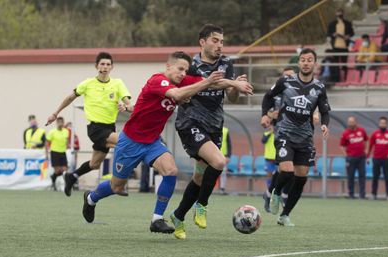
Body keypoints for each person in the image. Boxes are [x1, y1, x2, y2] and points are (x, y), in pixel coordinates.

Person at [81, 51, 226, 234]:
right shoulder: (157, 80)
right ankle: (91, 198)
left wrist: (235, 83)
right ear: (168, 66)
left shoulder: (181, 82)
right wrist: (205, 82)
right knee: (117, 186)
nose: (183, 73)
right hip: (130, 142)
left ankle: (157, 218)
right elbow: (178, 93)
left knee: (171, 170)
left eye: (186, 70)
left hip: (152, 142)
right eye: (180, 69)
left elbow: (212, 84)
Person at [170, 24, 254, 240]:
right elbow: (206, 85)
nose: (219, 45)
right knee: (218, 162)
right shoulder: (191, 65)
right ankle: (202, 205)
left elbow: (230, 95)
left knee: (200, 175)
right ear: (202, 42)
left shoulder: (227, 63)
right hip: (191, 122)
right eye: (215, 40)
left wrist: (235, 87)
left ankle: (178, 216)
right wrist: (230, 82)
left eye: (222, 42)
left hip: (214, 126)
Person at [46, 52, 133, 197]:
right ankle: (119, 184)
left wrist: (126, 107)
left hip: (110, 127)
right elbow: (69, 97)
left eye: (108, 64)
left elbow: (129, 104)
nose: (105, 67)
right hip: (95, 129)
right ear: (96, 66)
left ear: (112, 67)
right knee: (125, 143)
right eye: (102, 64)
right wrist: (55, 113)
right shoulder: (88, 83)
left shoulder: (118, 83)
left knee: (94, 164)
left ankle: (72, 176)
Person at [261, 48, 331, 227]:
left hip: (305, 138)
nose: (306, 63)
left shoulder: (319, 87)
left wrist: (324, 124)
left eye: (310, 60)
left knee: (301, 177)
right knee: (287, 170)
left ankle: (284, 215)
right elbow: (268, 97)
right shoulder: (285, 81)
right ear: (299, 63)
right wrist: (265, 114)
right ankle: (276, 192)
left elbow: (324, 110)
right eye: (303, 60)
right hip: (284, 133)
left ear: (315, 63)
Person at [262, 67, 296, 213]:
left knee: (290, 170)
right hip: (280, 133)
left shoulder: (297, 92)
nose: (288, 78)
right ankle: (277, 194)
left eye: (291, 75)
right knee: (283, 168)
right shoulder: (276, 94)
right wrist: (270, 115)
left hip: (296, 134)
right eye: (286, 75)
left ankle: (274, 194)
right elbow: (266, 105)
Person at [367, 116, 388, 200]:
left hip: (386, 159)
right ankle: (374, 194)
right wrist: (367, 156)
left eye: (384, 123)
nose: (382, 124)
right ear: (379, 124)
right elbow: (370, 145)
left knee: (387, 177)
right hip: (376, 159)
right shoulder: (375, 134)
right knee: (375, 177)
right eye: (381, 123)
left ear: (387, 124)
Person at [340, 116, 368, 199]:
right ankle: (351, 194)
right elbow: (341, 146)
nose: (350, 123)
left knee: (362, 176)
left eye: (352, 122)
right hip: (351, 158)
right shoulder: (345, 133)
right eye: (349, 122)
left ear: (355, 122)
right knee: (350, 176)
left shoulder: (362, 130)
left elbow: (366, 140)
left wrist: (366, 149)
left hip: (361, 158)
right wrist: (346, 155)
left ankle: (362, 195)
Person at [328, 8, 354, 79]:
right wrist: (333, 35)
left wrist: (348, 36)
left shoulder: (347, 23)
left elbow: (352, 33)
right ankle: (337, 78)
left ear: (343, 14)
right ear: (336, 14)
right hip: (335, 47)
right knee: (335, 64)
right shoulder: (332, 24)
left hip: (344, 47)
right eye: (338, 13)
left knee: (344, 64)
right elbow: (328, 33)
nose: (339, 15)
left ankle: (345, 78)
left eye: (340, 13)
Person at [46, 117, 70, 191]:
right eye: (59, 122)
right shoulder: (52, 131)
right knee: (57, 170)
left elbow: (67, 141)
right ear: (56, 123)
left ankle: (53, 177)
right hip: (54, 152)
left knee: (64, 170)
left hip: (63, 152)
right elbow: (47, 142)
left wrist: (68, 146)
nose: (60, 124)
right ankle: (53, 182)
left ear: (63, 123)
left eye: (61, 122)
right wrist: (47, 152)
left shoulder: (66, 131)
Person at [218, 126, 232, 195]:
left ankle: (222, 189)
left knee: (223, 173)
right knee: (211, 172)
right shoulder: (211, 127)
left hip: (223, 155)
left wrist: (228, 156)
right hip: (213, 154)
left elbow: (229, 144)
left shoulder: (226, 130)